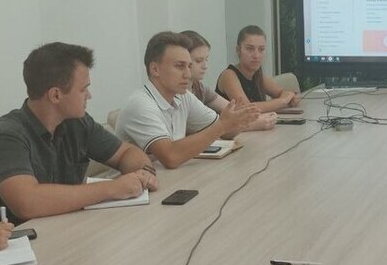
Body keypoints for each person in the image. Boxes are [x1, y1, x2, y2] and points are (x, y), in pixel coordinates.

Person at [0, 43, 159, 236]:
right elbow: (27, 202)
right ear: (55, 95)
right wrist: (112, 188)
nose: (89, 95)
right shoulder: (5, 136)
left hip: (55, 232)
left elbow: (126, 152)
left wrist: (144, 173)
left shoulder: (77, 123)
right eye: (83, 89)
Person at [115, 32, 258, 169]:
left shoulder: (182, 96)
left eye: (189, 66)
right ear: (155, 69)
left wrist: (236, 121)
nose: (188, 74)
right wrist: (223, 125)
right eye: (179, 66)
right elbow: (171, 157)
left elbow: (225, 133)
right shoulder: (141, 105)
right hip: (137, 183)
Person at [181, 30, 277, 131]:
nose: (205, 66)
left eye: (206, 59)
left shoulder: (199, 87)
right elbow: (214, 127)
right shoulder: (181, 94)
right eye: (198, 61)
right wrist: (253, 124)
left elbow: (235, 110)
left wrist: (255, 118)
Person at [216, 26, 301, 111]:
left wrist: (292, 99)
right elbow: (246, 108)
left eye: (261, 49)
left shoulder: (257, 74)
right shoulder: (228, 75)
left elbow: (281, 92)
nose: (256, 55)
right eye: (250, 49)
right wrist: (283, 101)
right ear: (238, 50)